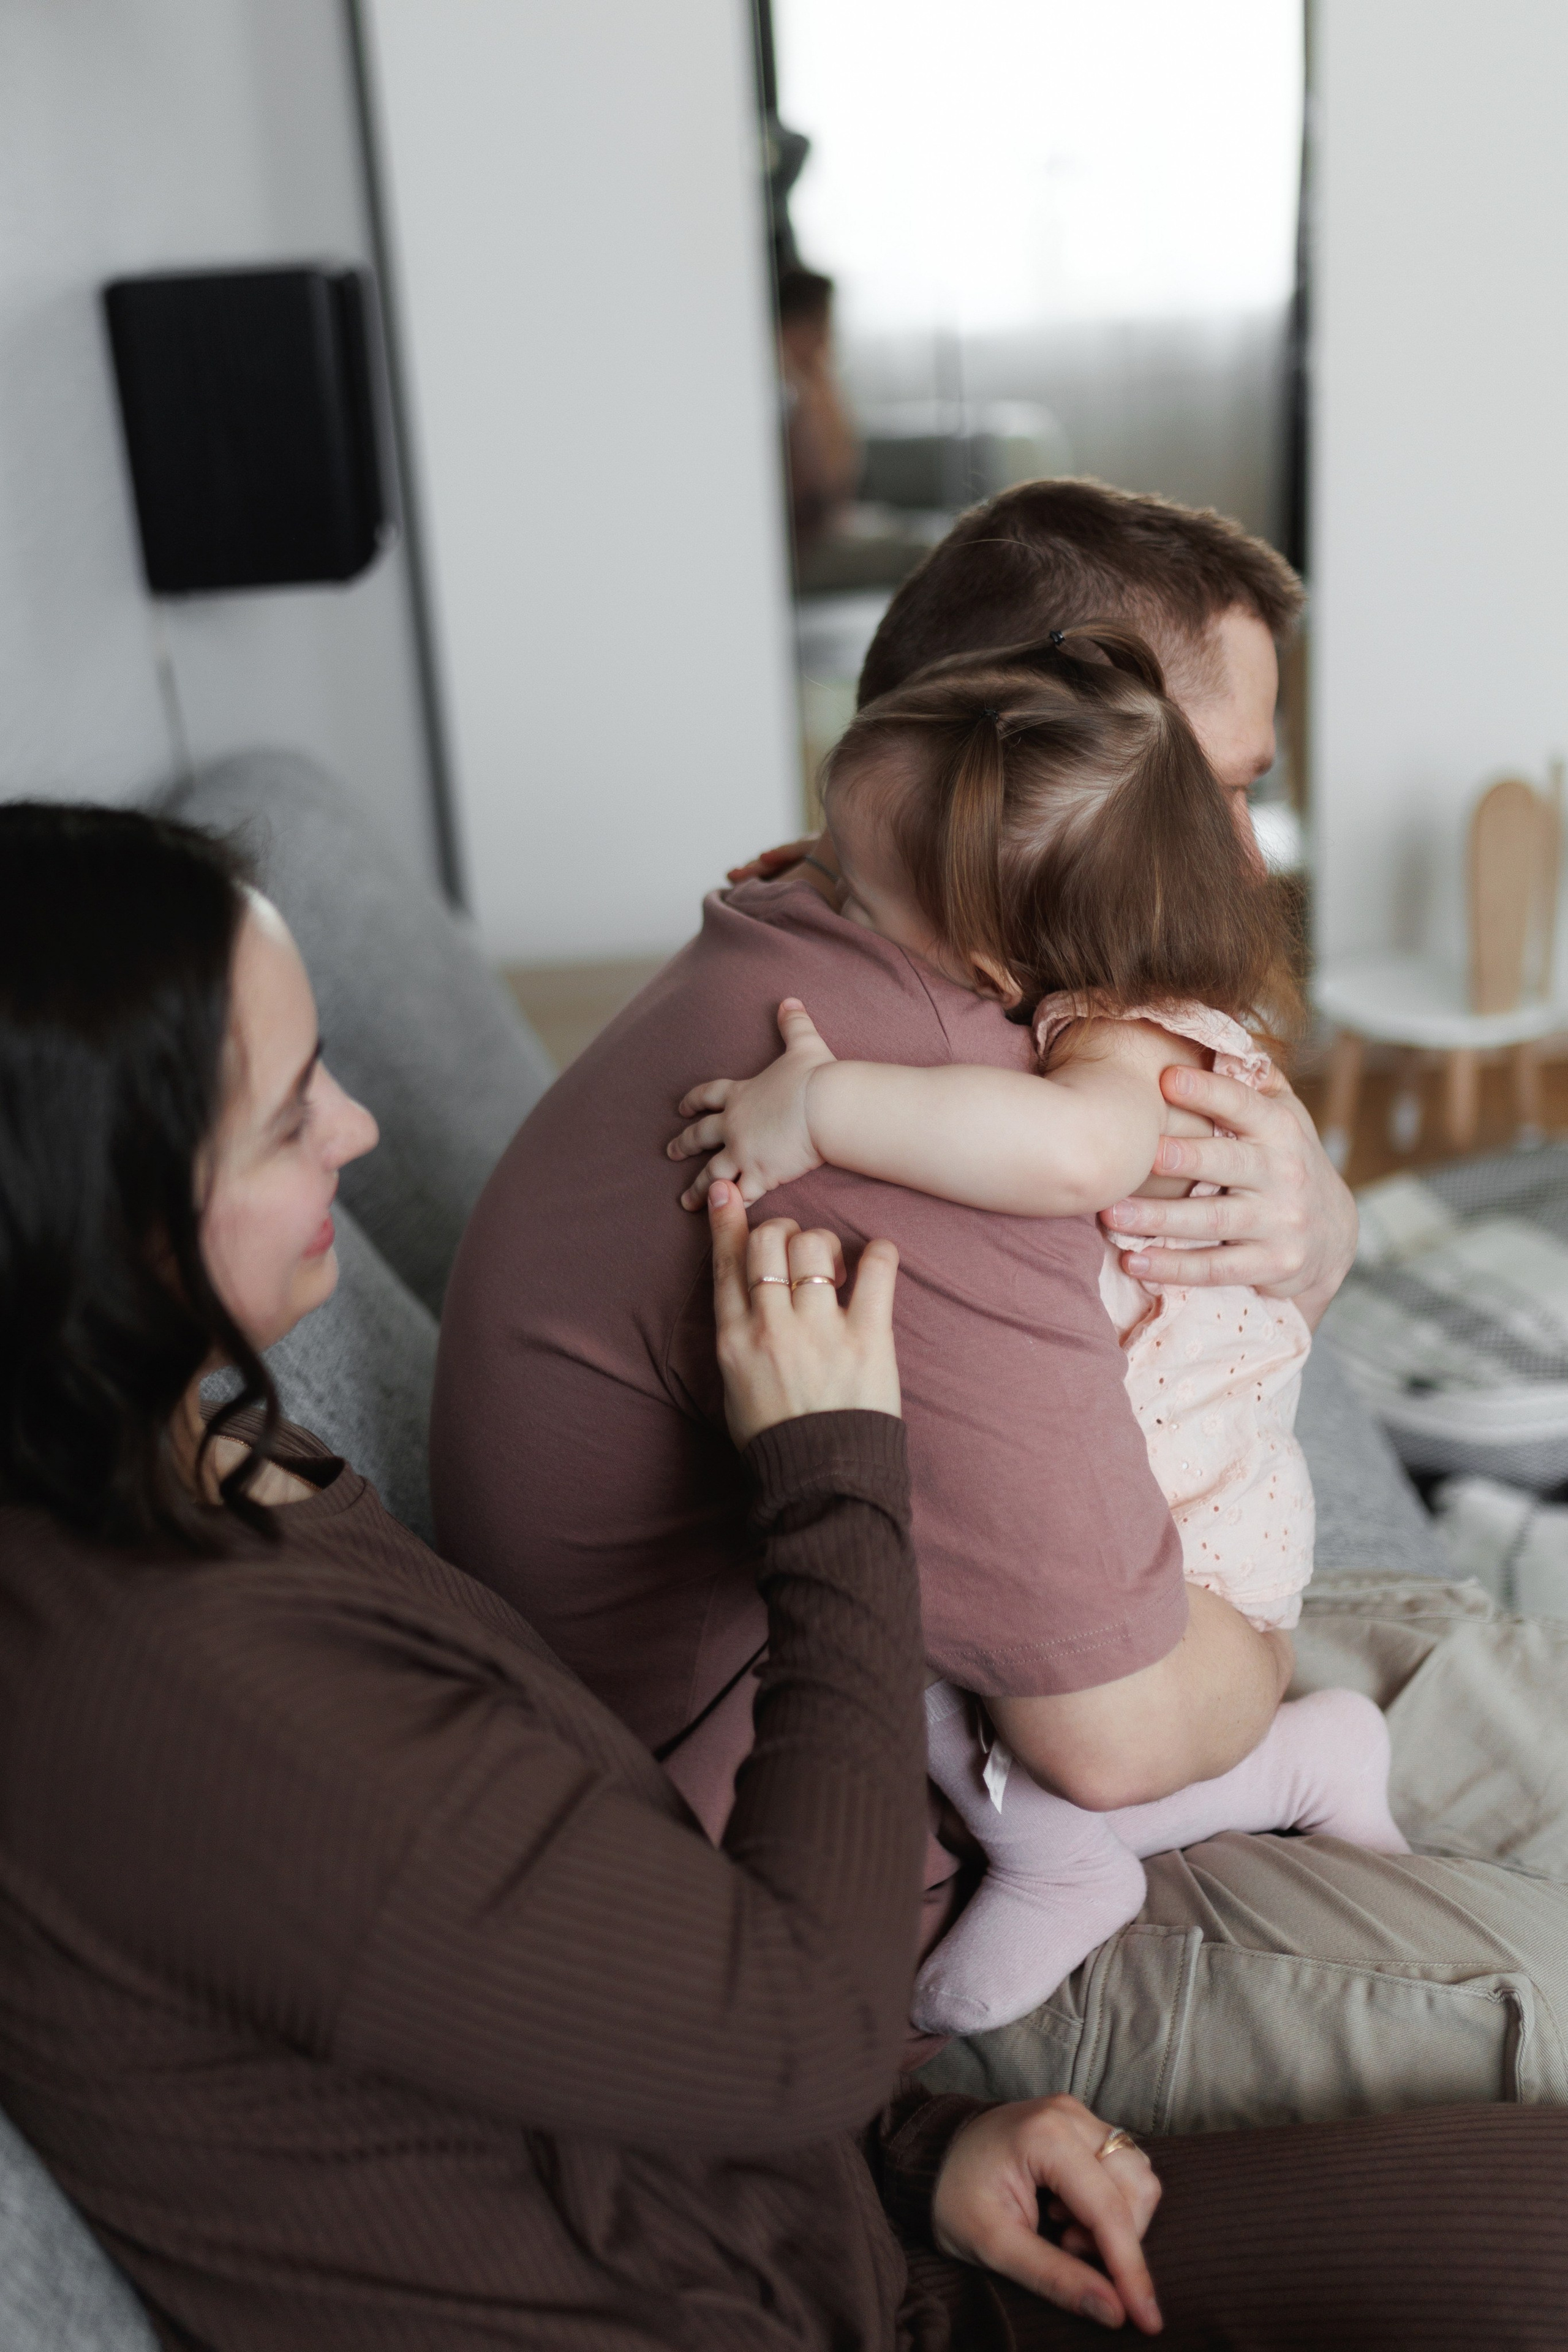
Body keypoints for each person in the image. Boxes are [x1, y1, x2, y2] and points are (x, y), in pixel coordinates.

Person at [9, 805, 1566, 2349]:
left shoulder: (200, 1474)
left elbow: (584, 2012)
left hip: (873, 2223)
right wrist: (832, 1471)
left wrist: (918, 2159)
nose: (353, 1135)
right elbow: (794, 2037)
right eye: (290, 1119)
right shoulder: (184, 1708)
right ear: (110, 1217)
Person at [432, 478, 1568, 2127]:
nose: (1242, 868)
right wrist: (1256, 1650)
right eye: (1215, 797)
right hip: (937, 1867)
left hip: (1078, 1648)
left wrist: (1312, 1229)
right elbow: (1112, 1741)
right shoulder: (895, 1118)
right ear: (1025, 753)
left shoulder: (840, 922)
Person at [668, 631, 1406, 2042]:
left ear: (996, 952)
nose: (831, 907)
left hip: (1194, 1518)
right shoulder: (1098, 990)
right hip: (1161, 1474)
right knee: (940, 1634)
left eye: (857, 895)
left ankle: (1285, 1773)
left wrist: (820, 1108)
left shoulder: (1123, 1050)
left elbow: (1067, 1157)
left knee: (987, 1658)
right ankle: (1062, 1853)